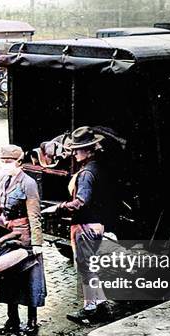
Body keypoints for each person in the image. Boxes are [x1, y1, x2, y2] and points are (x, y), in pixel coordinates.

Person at [52, 126, 110, 324]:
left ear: (89, 150)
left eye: (78, 149)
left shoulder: (86, 174)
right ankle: (102, 305)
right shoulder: (99, 168)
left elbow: (80, 202)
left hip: (85, 225)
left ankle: (90, 308)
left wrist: (59, 208)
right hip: (97, 223)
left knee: (86, 268)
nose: (74, 152)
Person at [0, 145, 46, 336]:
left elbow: (34, 215)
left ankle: (32, 320)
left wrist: (36, 243)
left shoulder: (28, 183)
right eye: (3, 162)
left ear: (19, 162)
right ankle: (12, 320)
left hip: (24, 237)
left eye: (9, 162)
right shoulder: (1, 181)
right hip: (5, 235)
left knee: (29, 279)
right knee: (7, 277)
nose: (5, 165)